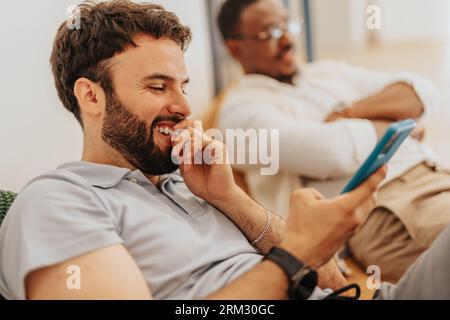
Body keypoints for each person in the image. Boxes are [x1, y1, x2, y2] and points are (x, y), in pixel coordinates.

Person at [0, 0, 448, 301]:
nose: (182, 106)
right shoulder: (59, 200)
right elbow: (303, 261)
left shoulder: (197, 185)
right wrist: (297, 254)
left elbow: (330, 280)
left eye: (183, 86)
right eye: (158, 86)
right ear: (91, 96)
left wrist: (229, 198)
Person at [216, 0, 450, 281]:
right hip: (387, 208)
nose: (288, 39)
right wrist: (396, 124)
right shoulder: (239, 114)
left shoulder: (325, 73)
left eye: (287, 25)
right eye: (270, 33)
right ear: (235, 48)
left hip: (435, 175)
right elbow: (333, 152)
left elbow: (421, 92)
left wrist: (349, 113)